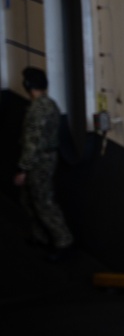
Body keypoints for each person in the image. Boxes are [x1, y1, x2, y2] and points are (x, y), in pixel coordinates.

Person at [14, 66, 75, 259]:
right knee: (31, 199)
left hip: (39, 162)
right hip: (43, 159)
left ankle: (63, 242)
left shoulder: (38, 109)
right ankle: (41, 236)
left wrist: (23, 168)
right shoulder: (49, 104)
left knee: (43, 202)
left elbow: (33, 142)